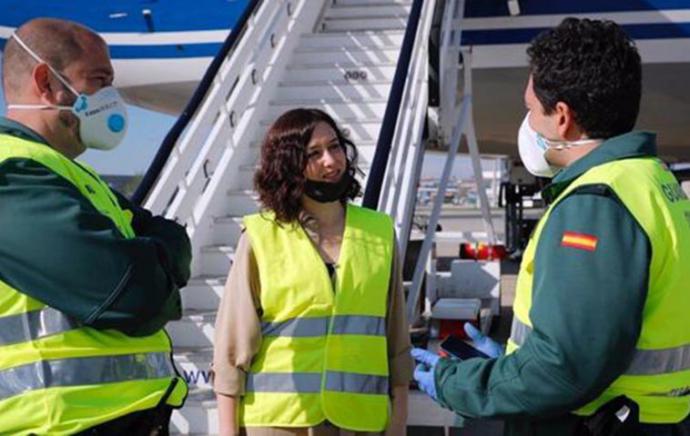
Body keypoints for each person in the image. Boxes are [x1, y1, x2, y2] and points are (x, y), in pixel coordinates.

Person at [412, 17, 690, 435]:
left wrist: (461, 384)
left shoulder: (596, 205)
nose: (528, 123)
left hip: (597, 423)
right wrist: (513, 362)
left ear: (562, 117)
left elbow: (564, 368)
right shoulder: (652, 180)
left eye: (530, 109)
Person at [0, 18, 191, 434]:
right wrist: (159, 270)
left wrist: (158, 256)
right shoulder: (10, 175)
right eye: (99, 80)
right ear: (46, 83)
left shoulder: (69, 176)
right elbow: (132, 294)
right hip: (59, 424)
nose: (111, 98)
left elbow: (175, 238)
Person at [212, 108, 412, 436]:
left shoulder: (379, 232)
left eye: (335, 147)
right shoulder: (261, 236)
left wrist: (399, 421)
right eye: (314, 154)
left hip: (361, 421)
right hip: (280, 422)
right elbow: (232, 348)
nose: (331, 162)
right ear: (288, 166)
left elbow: (396, 339)